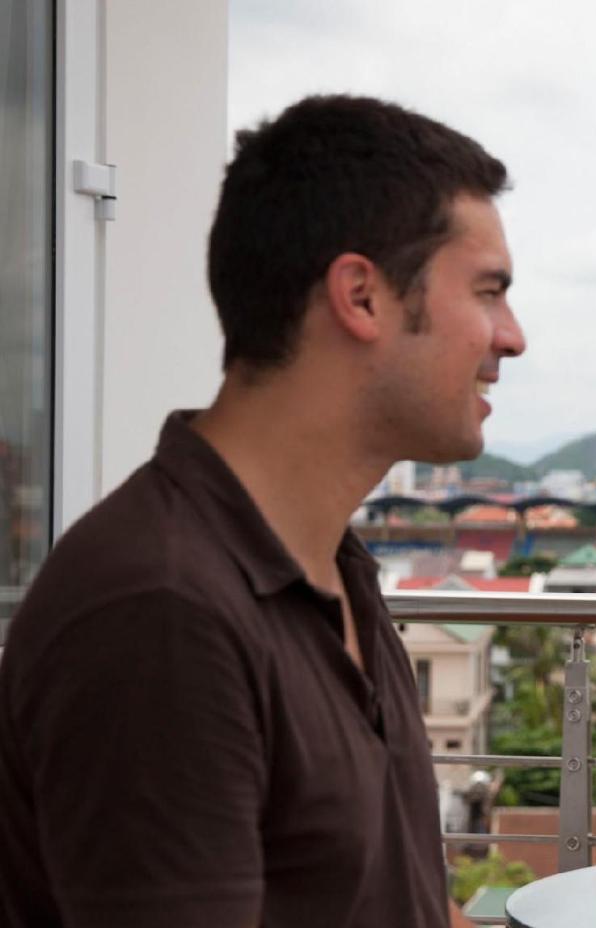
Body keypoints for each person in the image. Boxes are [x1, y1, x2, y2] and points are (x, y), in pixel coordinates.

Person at [0, 95, 525, 927]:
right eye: (489, 292)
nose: (513, 336)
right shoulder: (161, 610)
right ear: (362, 297)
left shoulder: (328, 569)